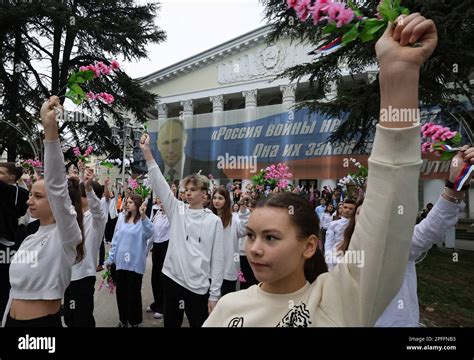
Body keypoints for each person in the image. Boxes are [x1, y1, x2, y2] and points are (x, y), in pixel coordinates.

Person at [203, 14, 438, 327]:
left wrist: (399, 77)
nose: (254, 249)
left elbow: (387, 218)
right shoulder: (228, 308)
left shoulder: (336, 302)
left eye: (271, 238)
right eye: (250, 235)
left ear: (310, 245)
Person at [2, 96, 84, 327]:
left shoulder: (66, 235)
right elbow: (15, 291)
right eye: (30, 194)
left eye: (38, 196)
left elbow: (57, 185)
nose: (30, 201)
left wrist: (50, 128)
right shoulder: (30, 237)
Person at [140, 136, 224, 328]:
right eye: (186, 189)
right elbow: (160, 184)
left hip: (198, 287)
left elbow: (218, 260)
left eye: (193, 189)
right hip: (172, 279)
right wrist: (147, 152)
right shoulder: (177, 210)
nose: (187, 193)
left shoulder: (214, 222)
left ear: (205, 194)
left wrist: (214, 295)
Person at [64, 168, 107, 327]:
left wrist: (88, 187)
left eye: (78, 194)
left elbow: (97, 209)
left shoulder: (97, 220)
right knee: (69, 317)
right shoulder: (73, 215)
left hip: (83, 277)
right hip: (68, 275)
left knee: (83, 320)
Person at [105, 195, 154, 327]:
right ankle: (123, 320)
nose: (127, 204)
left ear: (138, 204)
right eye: (127, 202)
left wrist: (143, 216)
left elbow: (150, 232)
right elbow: (116, 239)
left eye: (131, 202)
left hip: (135, 264)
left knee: (133, 295)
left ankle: (135, 321)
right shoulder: (122, 218)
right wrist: (110, 258)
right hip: (121, 263)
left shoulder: (143, 221)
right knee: (121, 294)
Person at [0, 163, 30, 317]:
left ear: (11, 177)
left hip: (8, 241)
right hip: (14, 239)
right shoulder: (23, 192)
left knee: (5, 278)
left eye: (1, 172)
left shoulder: (9, 191)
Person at [154, 119, 227, 181]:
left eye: (175, 141)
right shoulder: (155, 173)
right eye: (166, 143)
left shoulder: (208, 170)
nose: (170, 150)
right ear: (158, 145)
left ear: (185, 140)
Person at [210, 187, 248, 296]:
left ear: (226, 200)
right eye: (215, 198)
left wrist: (244, 211)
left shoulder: (234, 218)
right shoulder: (208, 216)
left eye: (220, 198)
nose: (216, 201)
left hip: (228, 267)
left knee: (226, 299)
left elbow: (243, 231)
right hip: (210, 268)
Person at [146, 198, 170, 319]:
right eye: (159, 200)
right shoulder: (158, 215)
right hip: (157, 246)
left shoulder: (172, 217)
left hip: (166, 246)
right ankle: (157, 303)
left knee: (163, 278)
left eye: (163, 200)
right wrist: (145, 251)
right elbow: (152, 233)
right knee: (154, 277)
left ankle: (163, 306)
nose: (161, 202)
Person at [324, 199, 356, 270]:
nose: (347, 210)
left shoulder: (357, 225)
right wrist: (328, 256)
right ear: (341, 209)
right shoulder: (333, 224)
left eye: (351, 208)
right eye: (345, 207)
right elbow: (329, 242)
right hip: (336, 256)